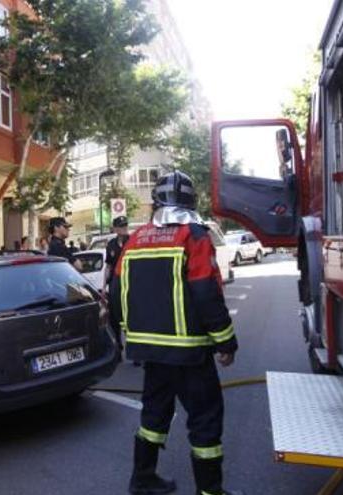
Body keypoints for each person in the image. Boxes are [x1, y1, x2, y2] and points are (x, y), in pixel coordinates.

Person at [111, 171, 240, 495]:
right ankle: (210, 492)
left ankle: (142, 480)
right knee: (205, 419)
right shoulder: (194, 235)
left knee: (154, 414)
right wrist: (225, 341)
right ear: (190, 202)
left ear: (156, 202)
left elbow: (116, 293)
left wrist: (129, 334)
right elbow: (205, 291)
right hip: (190, 353)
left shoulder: (135, 238)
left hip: (150, 353)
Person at [104, 216, 131, 349]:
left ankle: (134, 347)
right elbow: (108, 266)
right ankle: (118, 347)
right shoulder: (111, 244)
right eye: (121, 226)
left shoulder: (133, 241)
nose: (124, 228)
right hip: (115, 283)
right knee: (115, 315)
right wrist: (104, 287)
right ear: (115, 228)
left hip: (130, 282)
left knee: (131, 315)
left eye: (125, 225)